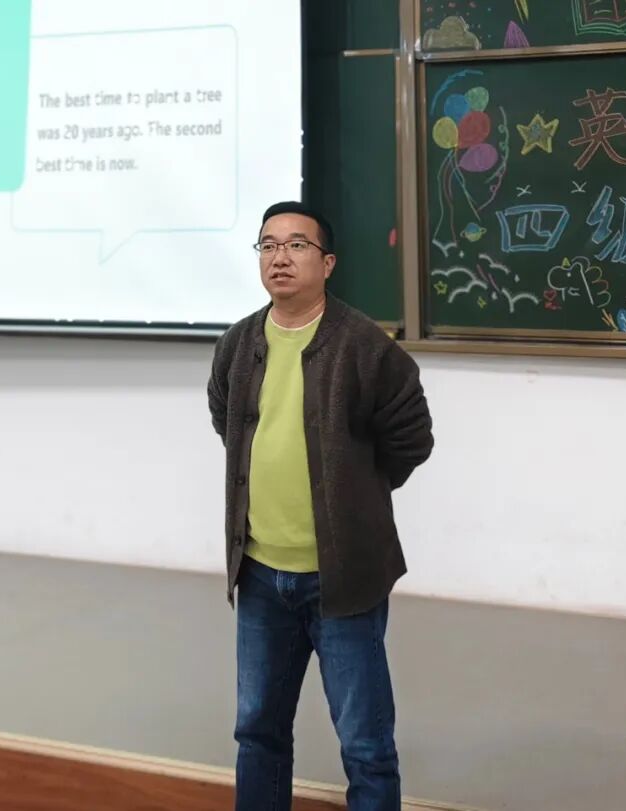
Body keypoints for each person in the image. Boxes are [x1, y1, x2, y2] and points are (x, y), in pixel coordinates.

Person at [207, 201, 434, 810]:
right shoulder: (238, 344)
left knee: (365, 744)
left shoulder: (367, 349)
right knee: (257, 730)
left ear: (327, 263)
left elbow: (411, 441)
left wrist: (354, 492)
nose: (279, 257)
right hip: (259, 574)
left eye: (296, 245)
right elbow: (226, 419)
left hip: (343, 578)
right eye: (268, 245)